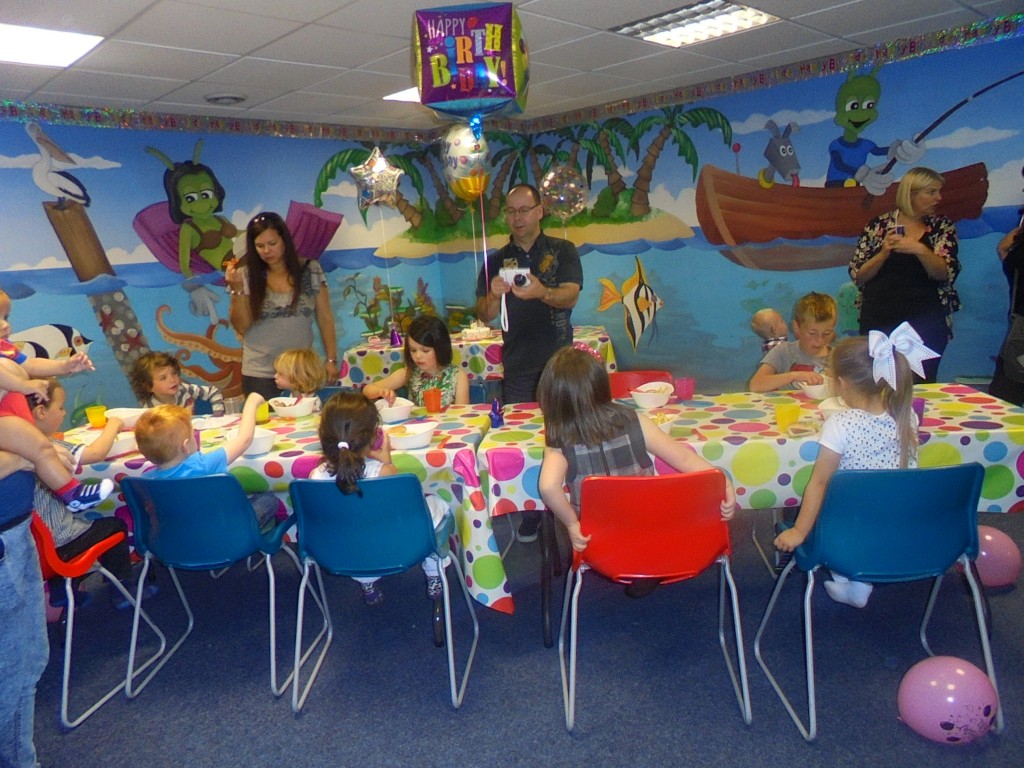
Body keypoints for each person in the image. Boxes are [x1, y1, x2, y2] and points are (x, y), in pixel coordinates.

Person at [537, 347, 736, 597]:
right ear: (601, 386)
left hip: (602, 541)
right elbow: (684, 458)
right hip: (656, 528)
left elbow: (547, 487)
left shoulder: (559, 439)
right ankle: (651, 562)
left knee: (591, 520)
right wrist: (722, 480)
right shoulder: (634, 420)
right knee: (664, 500)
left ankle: (636, 562)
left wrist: (572, 525)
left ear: (551, 397)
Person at [773, 323, 935, 608]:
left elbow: (819, 482)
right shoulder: (906, 415)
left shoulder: (840, 423)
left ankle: (852, 578)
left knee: (835, 510)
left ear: (843, 383)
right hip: (901, 524)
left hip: (849, 529)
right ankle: (859, 578)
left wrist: (799, 531)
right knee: (865, 503)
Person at [475, 184, 583, 543]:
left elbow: (570, 295)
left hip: (561, 362)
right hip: (518, 361)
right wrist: (492, 294)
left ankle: (577, 501)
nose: (517, 218)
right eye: (511, 211)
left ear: (540, 211)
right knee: (523, 441)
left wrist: (541, 292)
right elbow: (483, 314)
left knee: (569, 435)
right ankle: (534, 508)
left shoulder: (562, 250)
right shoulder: (495, 259)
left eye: (524, 210)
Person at [311, 392, 452, 606]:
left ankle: (366, 581)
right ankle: (434, 574)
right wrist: (387, 461)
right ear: (372, 437)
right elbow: (405, 510)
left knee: (357, 527)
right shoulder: (384, 472)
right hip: (398, 548)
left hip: (345, 551)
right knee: (435, 506)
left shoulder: (315, 476)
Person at [28, 378, 157, 610]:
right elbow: (97, 453)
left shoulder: (15, 449)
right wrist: (114, 425)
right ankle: (122, 589)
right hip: (62, 545)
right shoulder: (43, 447)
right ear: (40, 412)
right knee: (115, 524)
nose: (64, 412)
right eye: (60, 408)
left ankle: (63, 590)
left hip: (34, 552)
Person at [0, 288, 113, 512]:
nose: (5, 325)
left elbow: (31, 364)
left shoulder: (6, 348)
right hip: (4, 418)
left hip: (12, 418)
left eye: (5, 317)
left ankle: (72, 493)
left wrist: (65, 365)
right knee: (42, 448)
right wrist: (25, 385)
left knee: (44, 449)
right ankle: (72, 493)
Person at [849, 167, 961, 383]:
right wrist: (883, 253)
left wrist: (918, 248)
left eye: (938, 192)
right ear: (911, 194)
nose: (939, 198)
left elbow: (944, 273)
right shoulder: (878, 226)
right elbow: (858, 275)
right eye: (931, 192)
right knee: (878, 387)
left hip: (926, 326)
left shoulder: (941, 227)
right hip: (879, 322)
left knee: (920, 387)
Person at [224, 212, 338, 400]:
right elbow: (242, 326)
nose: (267, 251)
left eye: (272, 244)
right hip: (260, 372)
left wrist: (331, 359)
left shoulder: (310, 269)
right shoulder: (245, 275)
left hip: (300, 371)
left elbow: (325, 317)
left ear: (284, 240)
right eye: (259, 246)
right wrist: (236, 291)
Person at [134, 394, 280, 531]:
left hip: (177, 541)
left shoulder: (145, 480)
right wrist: (251, 403)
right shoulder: (203, 464)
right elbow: (244, 439)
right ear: (186, 445)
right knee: (268, 500)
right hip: (224, 532)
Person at [0, 447, 48, 768]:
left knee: (28, 658)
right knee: (15, 666)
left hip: (15, 533)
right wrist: (24, 457)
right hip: (6, 545)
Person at [361, 315, 469, 408]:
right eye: (413, 350)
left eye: (425, 351)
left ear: (440, 348)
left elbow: (462, 414)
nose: (417, 356)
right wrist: (381, 392)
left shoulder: (457, 376)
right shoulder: (409, 373)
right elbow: (367, 390)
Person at [749, 292, 836, 392]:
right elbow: (755, 385)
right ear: (796, 327)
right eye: (812, 333)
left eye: (827, 333)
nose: (820, 340)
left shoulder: (837, 357)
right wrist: (795, 376)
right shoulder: (783, 351)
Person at [988, 208, 1024, 405]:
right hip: (1020, 328)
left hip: (1020, 327)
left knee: (1005, 397)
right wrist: (1004, 251)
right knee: (1004, 398)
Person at [129, 350, 226, 415]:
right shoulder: (150, 410)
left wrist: (218, 416)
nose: (172, 379)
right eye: (163, 378)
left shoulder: (183, 389)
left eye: (174, 373)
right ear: (148, 386)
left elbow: (214, 392)